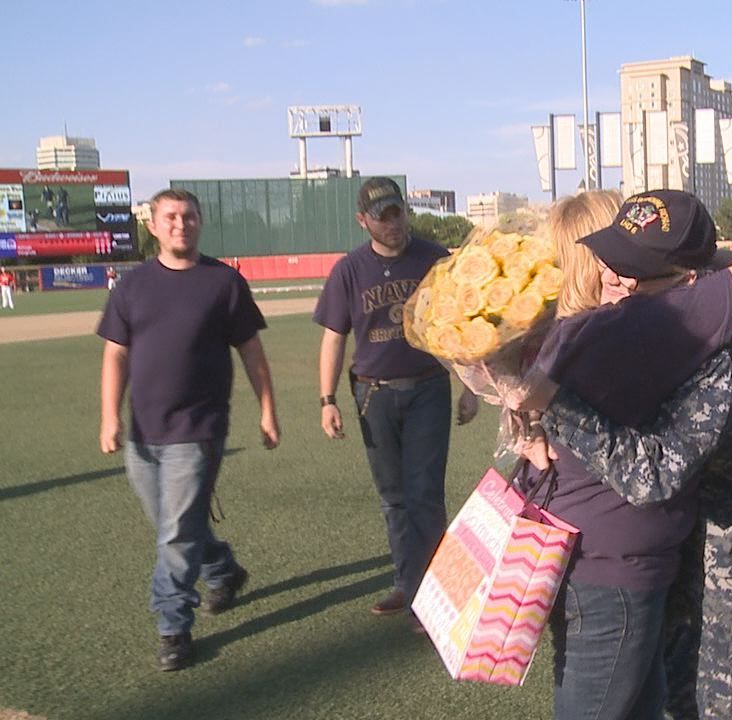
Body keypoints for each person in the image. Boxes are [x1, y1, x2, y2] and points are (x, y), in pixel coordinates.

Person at [526, 190, 732, 719]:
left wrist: (556, 405)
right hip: (690, 538)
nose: (615, 278)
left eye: (635, 273)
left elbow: (655, 473)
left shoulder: (729, 341)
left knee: (729, 706)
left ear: (687, 283)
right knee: (677, 698)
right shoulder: (668, 318)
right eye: (613, 259)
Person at [97, 189, 280, 672]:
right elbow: (115, 353)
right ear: (153, 226)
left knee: (175, 534)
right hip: (142, 434)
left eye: (190, 216)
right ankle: (223, 568)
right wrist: (109, 416)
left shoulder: (224, 283)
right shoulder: (132, 286)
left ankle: (173, 626)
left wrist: (267, 410)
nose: (182, 224)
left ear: (200, 223)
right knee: (175, 526)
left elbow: (252, 352)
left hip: (197, 430)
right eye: (171, 217)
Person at [313, 177, 477, 618]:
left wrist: (469, 387)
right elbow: (333, 338)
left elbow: (463, 325)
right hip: (373, 395)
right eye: (381, 216)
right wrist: (327, 399)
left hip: (427, 388)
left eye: (397, 212)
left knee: (425, 494)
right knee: (393, 497)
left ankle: (435, 596)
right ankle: (409, 585)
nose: (392, 223)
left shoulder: (434, 259)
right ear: (362, 220)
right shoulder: (349, 270)